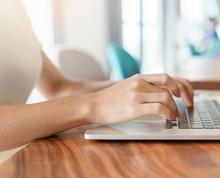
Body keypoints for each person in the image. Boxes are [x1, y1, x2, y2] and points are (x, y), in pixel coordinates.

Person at [0, 0, 193, 151]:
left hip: (22, 156)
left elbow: (58, 88)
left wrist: (136, 89)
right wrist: (94, 105)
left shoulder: (14, 7)